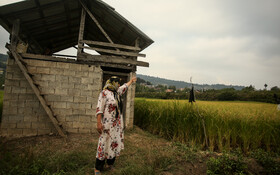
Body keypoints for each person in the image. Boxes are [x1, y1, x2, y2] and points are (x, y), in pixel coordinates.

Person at [94, 76, 137, 174]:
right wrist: (98, 123)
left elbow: (124, 87)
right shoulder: (104, 93)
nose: (118, 85)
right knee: (103, 144)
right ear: (112, 83)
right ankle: (98, 168)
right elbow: (99, 109)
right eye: (117, 83)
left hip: (116, 126)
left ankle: (110, 164)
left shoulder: (116, 93)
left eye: (119, 83)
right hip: (107, 125)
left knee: (114, 143)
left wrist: (131, 81)